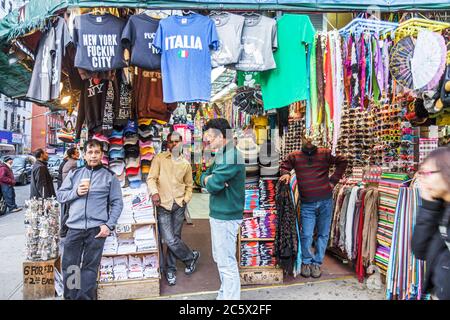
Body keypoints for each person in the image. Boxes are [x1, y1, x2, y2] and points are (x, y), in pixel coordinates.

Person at [57, 139, 123, 300]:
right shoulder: (75, 174)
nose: (93, 156)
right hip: (74, 228)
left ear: (102, 155)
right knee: (71, 266)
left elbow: (117, 203)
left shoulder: (110, 176)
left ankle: (85, 298)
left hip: (96, 230)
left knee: (89, 268)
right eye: (90, 152)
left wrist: (109, 225)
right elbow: (60, 195)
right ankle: (71, 297)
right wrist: (76, 192)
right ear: (84, 155)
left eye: (97, 152)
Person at [279, 136, 347, 278]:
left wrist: (333, 181)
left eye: (311, 138)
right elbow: (284, 165)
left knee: (323, 234)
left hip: (325, 201)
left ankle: (317, 263)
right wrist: (285, 174)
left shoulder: (325, 153)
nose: (309, 141)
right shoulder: (295, 156)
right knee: (307, 235)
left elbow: (343, 161)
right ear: (302, 139)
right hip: (307, 203)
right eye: (306, 138)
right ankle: (306, 261)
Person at [200, 118, 245, 300]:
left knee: (226, 262)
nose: (207, 142)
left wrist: (211, 180)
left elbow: (213, 185)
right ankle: (224, 295)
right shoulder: (222, 154)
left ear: (221, 136)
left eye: (210, 138)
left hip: (226, 216)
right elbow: (205, 177)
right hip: (220, 214)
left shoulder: (231, 156)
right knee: (221, 259)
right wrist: (208, 179)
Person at [147, 131, 198, 286]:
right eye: (171, 142)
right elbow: (151, 178)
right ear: (167, 144)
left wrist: (185, 200)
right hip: (163, 204)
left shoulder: (186, 164)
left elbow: (190, 185)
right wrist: (154, 193)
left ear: (181, 142)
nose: (174, 144)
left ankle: (170, 269)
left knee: (175, 237)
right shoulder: (159, 159)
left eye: (177, 142)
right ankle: (190, 257)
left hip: (178, 205)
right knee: (169, 239)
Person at [412, 147, 450, 300]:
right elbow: (420, 250)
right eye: (420, 173)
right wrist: (428, 206)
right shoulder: (440, 209)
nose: (421, 179)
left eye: (427, 173)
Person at [59, 147, 80, 241]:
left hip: (68, 190)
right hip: (70, 191)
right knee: (68, 212)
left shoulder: (68, 162)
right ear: (72, 155)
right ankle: (63, 231)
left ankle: (64, 230)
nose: (78, 154)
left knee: (67, 211)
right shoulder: (74, 163)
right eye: (76, 153)